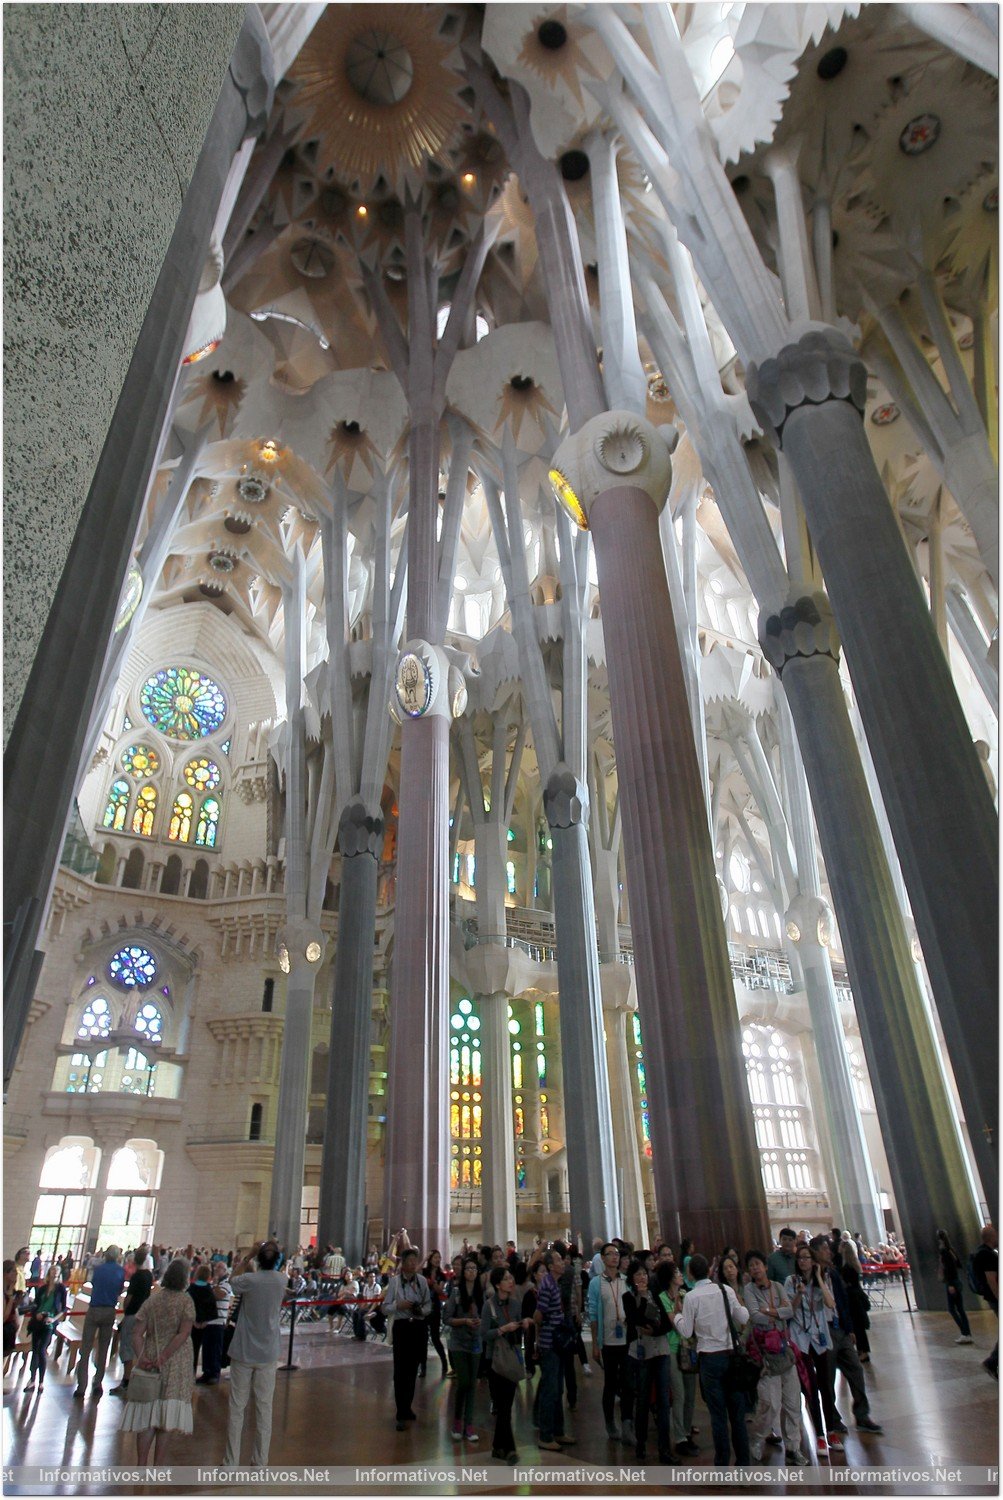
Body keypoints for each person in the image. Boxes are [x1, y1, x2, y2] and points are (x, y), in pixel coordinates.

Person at [673, 1252, 750, 1465]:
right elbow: (743, 1317)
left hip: (709, 1360)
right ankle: (744, 1465)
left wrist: (677, 1316)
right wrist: (740, 1305)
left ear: (690, 1273)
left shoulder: (690, 1297)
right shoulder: (725, 1290)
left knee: (718, 1416)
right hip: (731, 1356)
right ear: (709, 1270)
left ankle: (722, 1465)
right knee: (737, 1415)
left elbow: (687, 1332)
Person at [119, 1257, 196, 1463]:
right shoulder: (185, 1301)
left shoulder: (153, 1300)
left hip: (151, 1357)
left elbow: (136, 1333)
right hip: (175, 1360)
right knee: (166, 1415)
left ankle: (141, 1463)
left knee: (147, 1414)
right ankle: (158, 1464)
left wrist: (142, 1356)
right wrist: (166, 1355)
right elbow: (183, 1333)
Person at [810, 1235, 883, 1437]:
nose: (829, 1251)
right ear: (815, 1252)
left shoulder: (833, 1273)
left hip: (840, 1330)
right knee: (827, 1377)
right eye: (825, 1248)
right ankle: (833, 1419)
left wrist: (850, 1328)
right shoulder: (810, 1277)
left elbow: (842, 1302)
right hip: (823, 1333)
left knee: (855, 1370)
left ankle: (862, 1415)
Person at [224, 1240, 288, 1466]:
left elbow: (232, 1280)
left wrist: (247, 1255)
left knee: (237, 1408)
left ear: (258, 1258)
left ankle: (231, 1462)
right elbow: (276, 1272)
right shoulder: (282, 1280)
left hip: (243, 1350)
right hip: (268, 1352)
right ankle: (260, 1462)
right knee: (264, 1408)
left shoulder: (249, 1280)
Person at [743, 1251, 806, 1465]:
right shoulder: (749, 1290)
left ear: (765, 1267)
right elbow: (755, 1316)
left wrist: (770, 1311)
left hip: (784, 1350)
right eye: (751, 1266)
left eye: (758, 1264)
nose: (755, 1269)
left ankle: (793, 1447)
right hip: (765, 1355)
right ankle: (758, 1439)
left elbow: (789, 1311)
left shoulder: (778, 1287)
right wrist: (776, 1313)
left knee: (792, 1402)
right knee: (769, 1403)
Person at [785, 1243, 839, 1457]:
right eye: (800, 1258)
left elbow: (830, 1303)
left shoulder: (821, 1281)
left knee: (826, 1386)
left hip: (820, 1338)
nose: (803, 1261)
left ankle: (832, 1431)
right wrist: (798, 1294)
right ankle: (819, 1434)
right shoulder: (791, 1281)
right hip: (801, 1340)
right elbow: (790, 1310)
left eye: (807, 1258)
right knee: (811, 1388)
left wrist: (818, 1278)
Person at [481, 1264, 532, 1463]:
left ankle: (498, 1447)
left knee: (506, 1405)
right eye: (506, 1279)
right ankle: (509, 1449)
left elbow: (519, 1326)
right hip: (494, 1359)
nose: (510, 1282)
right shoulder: (489, 1306)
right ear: (497, 1284)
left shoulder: (515, 1304)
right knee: (501, 1406)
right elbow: (484, 1334)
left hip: (510, 1358)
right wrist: (502, 1329)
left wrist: (523, 1324)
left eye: (511, 1278)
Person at [623, 1259, 671, 1463]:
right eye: (637, 1275)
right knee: (642, 1398)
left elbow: (666, 1324)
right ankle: (641, 1443)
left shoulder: (657, 1295)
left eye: (644, 1273)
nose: (642, 1277)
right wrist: (642, 1298)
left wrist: (656, 1329)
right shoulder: (628, 1297)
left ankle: (664, 1448)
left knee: (663, 1399)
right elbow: (635, 1319)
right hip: (642, 1351)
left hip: (660, 1349)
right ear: (632, 1279)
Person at [587, 1241, 635, 1445]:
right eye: (610, 1254)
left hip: (626, 1340)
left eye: (616, 1254)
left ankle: (626, 1423)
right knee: (610, 1384)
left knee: (627, 1383)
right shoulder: (596, 1283)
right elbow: (593, 1314)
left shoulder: (626, 1281)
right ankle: (610, 1423)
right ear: (603, 1258)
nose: (615, 1257)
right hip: (607, 1341)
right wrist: (596, 1344)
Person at [383, 1246, 431, 1430]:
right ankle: (401, 1410)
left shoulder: (422, 1282)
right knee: (400, 1370)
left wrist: (421, 1310)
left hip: (417, 1327)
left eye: (414, 1261)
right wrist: (398, 1305)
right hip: (402, 1327)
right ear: (403, 1264)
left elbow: (429, 1305)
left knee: (412, 1369)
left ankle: (408, 1406)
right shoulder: (395, 1283)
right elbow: (385, 1307)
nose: (412, 1264)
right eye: (409, 1261)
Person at [656, 1261, 698, 1458]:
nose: (680, 1275)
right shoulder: (663, 1298)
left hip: (688, 1347)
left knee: (690, 1392)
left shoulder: (686, 1296)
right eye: (677, 1273)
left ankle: (687, 1432)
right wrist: (680, 1311)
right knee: (679, 1393)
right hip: (671, 1348)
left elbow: (693, 1322)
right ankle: (680, 1437)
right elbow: (675, 1323)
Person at [74, 1244, 125, 1398]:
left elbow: (94, 1284)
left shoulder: (99, 1270)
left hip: (95, 1308)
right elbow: (120, 1289)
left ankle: (81, 1386)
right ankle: (97, 1383)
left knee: (86, 1347)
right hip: (109, 1310)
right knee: (103, 1349)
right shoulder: (120, 1271)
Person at [535, 1248, 573, 1452]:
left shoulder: (555, 1284)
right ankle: (546, 1434)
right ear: (550, 1266)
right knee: (550, 1389)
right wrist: (541, 1339)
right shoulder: (547, 1285)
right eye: (559, 1259)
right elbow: (538, 1315)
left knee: (558, 1388)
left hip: (557, 1343)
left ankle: (558, 1430)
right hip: (549, 1344)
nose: (563, 1262)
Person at [444, 1256, 483, 1441]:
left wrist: (481, 1322)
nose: (471, 1271)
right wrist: (464, 1321)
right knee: (464, 1381)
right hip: (459, 1342)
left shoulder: (481, 1293)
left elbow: (487, 1316)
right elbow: (448, 1318)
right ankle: (457, 1420)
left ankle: (469, 1424)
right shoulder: (457, 1293)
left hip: (475, 1341)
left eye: (474, 1268)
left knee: (473, 1384)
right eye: (468, 1268)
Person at [111, 1246, 153, 1396]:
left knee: (128, 1346)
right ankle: (136, 1378)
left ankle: (127, 1380)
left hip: (133, 1314)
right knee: (138, 1346)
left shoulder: (137, 1277)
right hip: (143, 1314)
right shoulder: (149, 1276)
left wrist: (126, 1309)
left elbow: (129, 1298)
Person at [24, 1263, 67, 1392]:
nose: (54, 1273)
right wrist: (36, 1314)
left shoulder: (61, 1289)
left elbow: (63, 1308)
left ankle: (41, 1381)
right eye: (52, 1271)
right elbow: (36, 1304)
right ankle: (32, 1379)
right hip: (38, 1321)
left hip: (49, 1322)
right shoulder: (42, 1288)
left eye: (57, 1271)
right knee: (35, 1349)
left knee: (42, 1350)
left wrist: (54, 1318)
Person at [838, 1239, 873, 1359]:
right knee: (859, 1326)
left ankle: (863, 1351)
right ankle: (862, 1350)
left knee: (858, 1327)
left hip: (853, 1299)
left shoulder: (847, 1268)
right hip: (856, 1296)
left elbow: (846, 1284)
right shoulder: (853, 1264)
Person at [972, 1224, 998, 1379]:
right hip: (996, 1298)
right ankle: (992, 1361)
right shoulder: (986, 1255)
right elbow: (991, 1280)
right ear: (991, 1237)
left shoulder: (983, 1252)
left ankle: (992, 1361)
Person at [419, 1250, 449, 1378]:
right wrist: (425, 1258)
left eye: (439, 1257)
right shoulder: (424, 1271)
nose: (438, 1259)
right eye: (435, 1257)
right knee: (423, 1338)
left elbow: (440, 1290)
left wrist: (433, 1282)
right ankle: (423, 1367)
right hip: (424, 1307)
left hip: (435, 1308)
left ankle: (444, 1363)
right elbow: (416, 1271)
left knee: (435, 1338)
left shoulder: (441, 1275)